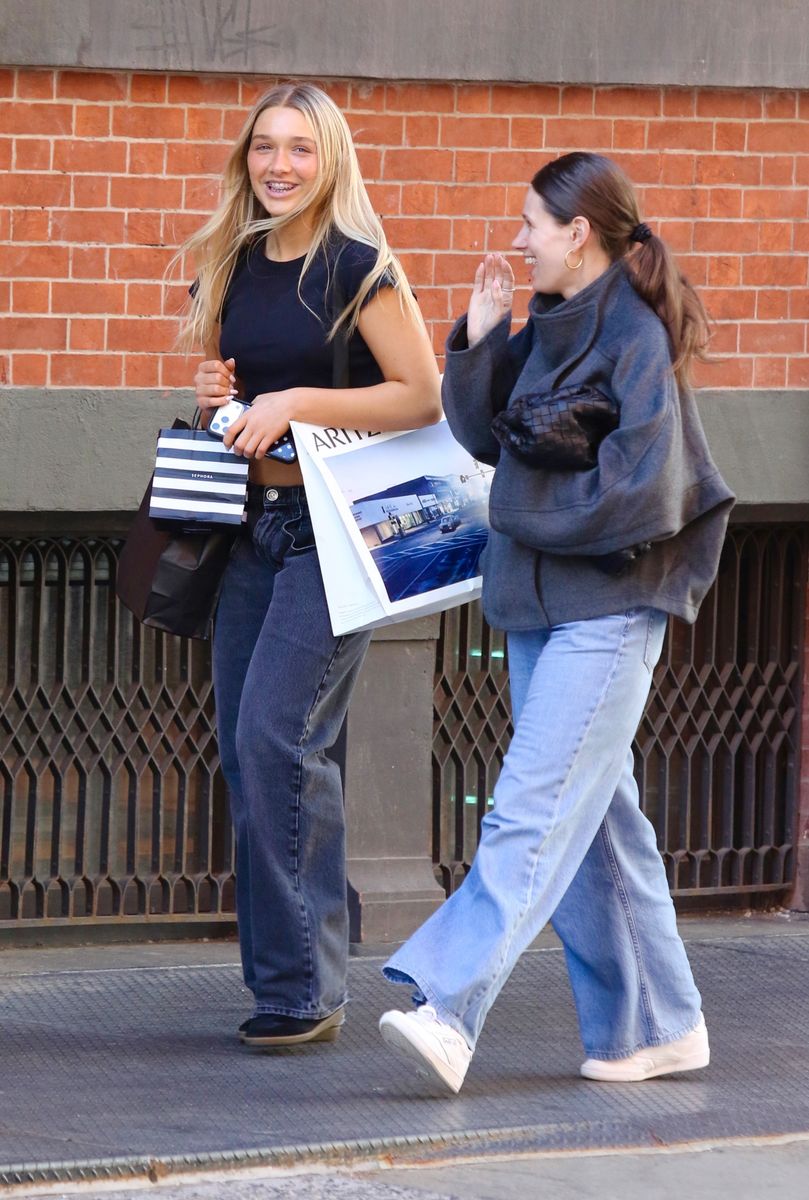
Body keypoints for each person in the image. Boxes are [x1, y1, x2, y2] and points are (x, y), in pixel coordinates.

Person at [378, 151, 735, 1093]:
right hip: (541, 605)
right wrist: (486, 338)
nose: (518, 237)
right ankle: (660, 1024)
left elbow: (639, 496)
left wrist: (510, 512)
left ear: (578, 233)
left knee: (529, 813)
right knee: (599, 823)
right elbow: (482, 432)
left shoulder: (636, 338)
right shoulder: (550, 324)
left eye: (532, 222)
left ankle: (449, 1009)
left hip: (612, 609)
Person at [176, 82, 441, 1048]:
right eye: (263, 149)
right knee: (256, 759)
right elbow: (225, 395)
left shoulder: (360, 269)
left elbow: (420, 397)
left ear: (329, 159)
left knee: (278, 741)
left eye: (299, 149)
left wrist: (293, 401)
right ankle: (295, 976)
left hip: (337, 537)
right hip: (254, 529)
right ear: (245, 160)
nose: (279, 166)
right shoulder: (232, 263)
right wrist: (216, 391)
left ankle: (307, 991)